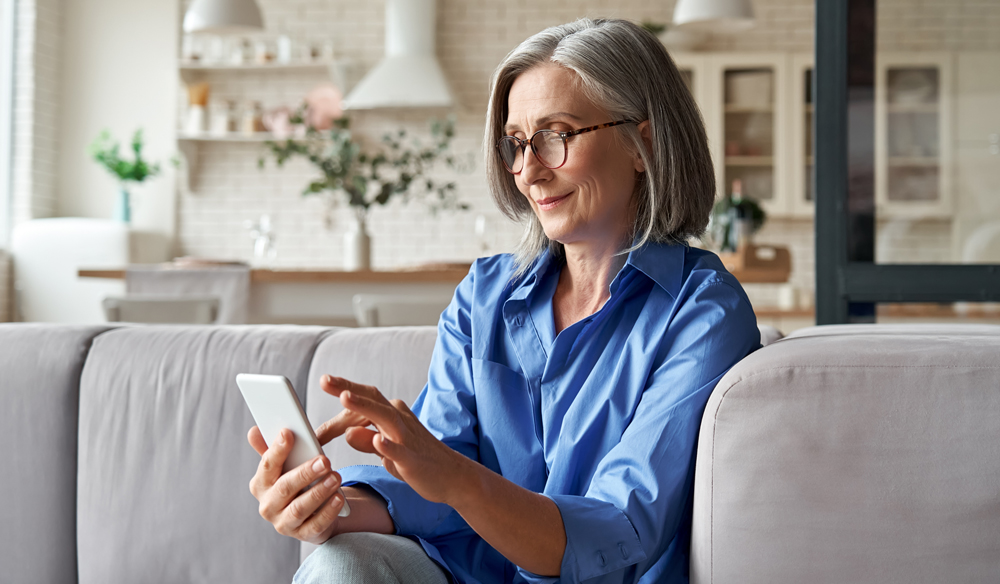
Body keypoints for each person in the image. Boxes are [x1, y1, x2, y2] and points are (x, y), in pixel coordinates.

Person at [247, 17, 760, 584]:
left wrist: (455, 477)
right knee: (338, 563)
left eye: (556, 134)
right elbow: (433, 486)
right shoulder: (485, 295)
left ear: (645, 144)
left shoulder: (702, 311)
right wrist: (327, 509)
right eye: (517, 143)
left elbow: (621, 528)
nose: (529, 171)